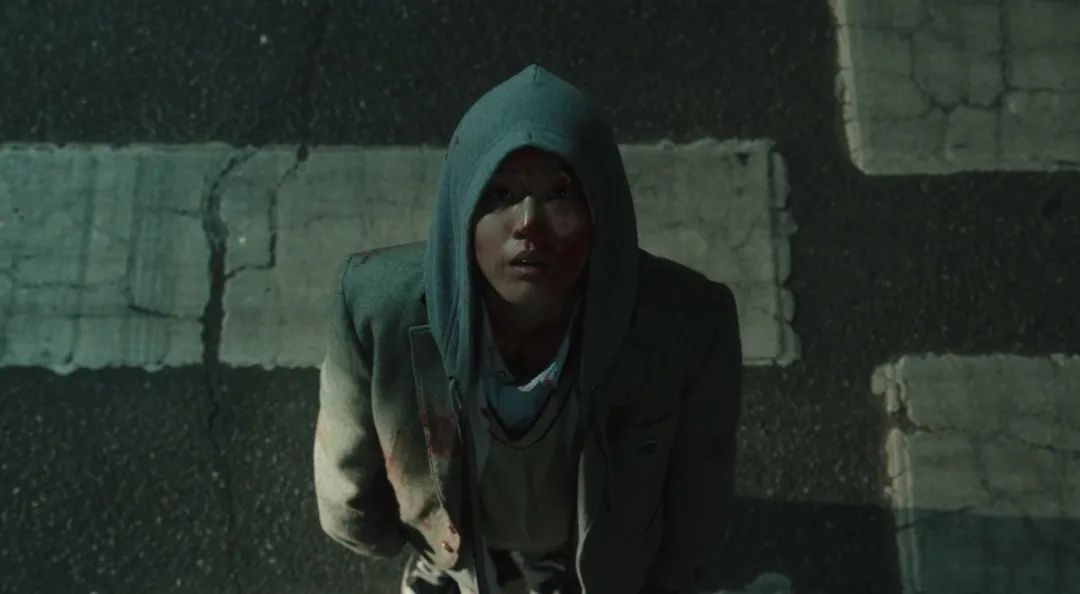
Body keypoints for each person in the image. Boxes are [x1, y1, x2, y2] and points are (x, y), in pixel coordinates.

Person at [313, 64, 743, 594]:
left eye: (560, 191)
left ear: (602, 208)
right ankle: (450, 565)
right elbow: (347, 474)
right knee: (459, 560)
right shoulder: (375, 308)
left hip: (592, 556)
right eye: (500, 193)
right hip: (460, 540)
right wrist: (390, 535)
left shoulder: (691, 322)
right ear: (461, 209)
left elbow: (702, 486)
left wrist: (671, 582)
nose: (528, 223)